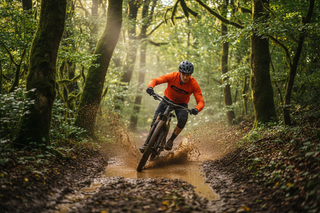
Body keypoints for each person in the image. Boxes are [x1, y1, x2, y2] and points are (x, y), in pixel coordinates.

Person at [139, 60, 205, 153]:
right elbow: (155, 80)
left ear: (191, 75)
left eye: (188, 75)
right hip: (167, 99)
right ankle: (146, 144)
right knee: (155, 120)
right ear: (179, 72)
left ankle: (171, 140)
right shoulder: (173, 76)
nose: (185, 77)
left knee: (183, 119)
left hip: (181, 104)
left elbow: (201, 101)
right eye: (183, 74)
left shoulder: (193, 84)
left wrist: (196, 109)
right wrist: (150, 87)